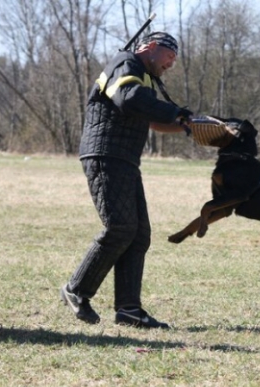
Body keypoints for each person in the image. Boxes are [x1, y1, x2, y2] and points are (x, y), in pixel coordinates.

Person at [59, 32, 193, 329]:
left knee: (139, 233)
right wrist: (177, 111)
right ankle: (76, 290)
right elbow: (129, 99)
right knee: (120, 227)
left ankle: (129, 310)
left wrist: (189, 126)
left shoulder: (142, 77)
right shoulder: (126, 62)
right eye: (169, 57)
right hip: (106, 154)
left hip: (124, 160)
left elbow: (153, 120)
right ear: (150, 48)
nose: (170, 65)